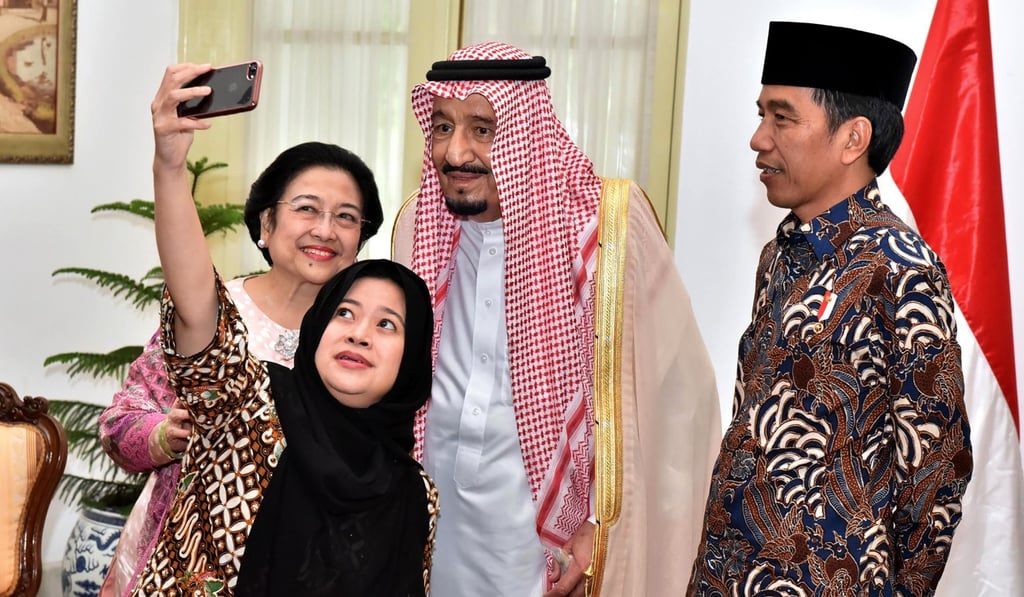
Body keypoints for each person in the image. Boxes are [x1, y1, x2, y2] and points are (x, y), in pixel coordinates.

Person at [391, 41, 721, 596]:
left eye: (482, 129)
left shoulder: (606, 231)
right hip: (433, 518)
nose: (454, 152)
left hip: (544, 534)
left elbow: (674, 399)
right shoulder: (416, 226)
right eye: (443, 127)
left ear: (523, 134)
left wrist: (602, 521)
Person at [125, 63, 437, 596]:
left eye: (387, 324)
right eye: (344, 314)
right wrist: (170, 168)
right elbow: (197, 305)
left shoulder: (413, 493)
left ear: (410, 364)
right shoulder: (249, 406)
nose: (360, 333)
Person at [686, 22, 973, 596]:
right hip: (728, 573)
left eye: (782, 117)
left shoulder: (900, 267)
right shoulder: (779, 255)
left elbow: (936, 475)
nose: (758, 138)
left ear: (852, 138)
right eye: (761, 114)